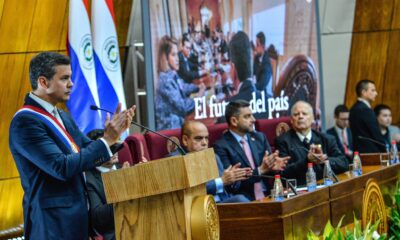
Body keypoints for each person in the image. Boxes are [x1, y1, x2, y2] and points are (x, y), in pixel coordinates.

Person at [8, 52, 135, 239]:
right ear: (43, 82)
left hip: (77, 219)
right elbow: (61, 167)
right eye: (64, 78)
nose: (71, 84)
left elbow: (86, 150)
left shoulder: (61, 115)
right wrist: (106, 140)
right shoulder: (25, 122)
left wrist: (111, 142)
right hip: (52, 224)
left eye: (71, 77)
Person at [213, 100, 289, 201]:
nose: (253, 120)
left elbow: (269, 172)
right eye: (247, 116)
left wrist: (273, 167)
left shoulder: (259, 138)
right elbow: (232, 184)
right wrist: (260, 170)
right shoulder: (221, 146)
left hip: (269, 195)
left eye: (252, 115)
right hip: (245, 201)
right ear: (234, 121)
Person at [170, 121, 251, 203]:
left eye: (206, 138)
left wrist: (233, 178)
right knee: (240, 200)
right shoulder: (176, 160)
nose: (204, 143)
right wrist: (222, 181)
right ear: (185, 140)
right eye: (198, 138)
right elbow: (189, 192)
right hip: (200, 208)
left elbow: (229, 189)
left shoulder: (214, 157)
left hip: (223, 202)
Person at [275, 101, 348, 185]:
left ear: (312, 118)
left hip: (326, 186)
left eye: (304, 114)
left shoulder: (327, 139)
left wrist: (325, 160)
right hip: (301, 191)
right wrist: (307, 161)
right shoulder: (283, 141)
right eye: (296, 114)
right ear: (291, 120)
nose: (300, 116)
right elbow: (284, 174)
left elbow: (344, 163)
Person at [85, 129, 131, 240]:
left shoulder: (123, 168)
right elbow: (98, 218)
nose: (114, 151)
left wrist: (141, 174)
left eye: (114, 145)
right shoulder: (89, 179)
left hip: (137, 222)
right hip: (115, 232)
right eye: (108, 147)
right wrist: (120, 186)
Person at [155, 35, 205, 130]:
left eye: (177, 54)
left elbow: (182, 87)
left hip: (177, 127)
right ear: (165, 58)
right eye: (173, 55)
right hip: (170, 133)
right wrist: (198, 97)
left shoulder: (171, 74)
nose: (178, 59)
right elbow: (183, 107)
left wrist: (197, 87)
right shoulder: (166, 80)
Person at [349, 79, 387, 153]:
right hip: (371, 153)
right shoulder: (365, 110)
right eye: (373, 90)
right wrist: (385, 150)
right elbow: (375, 134)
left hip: (359, 152)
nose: (376, 93)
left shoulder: (354, 108)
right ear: (364, 92)